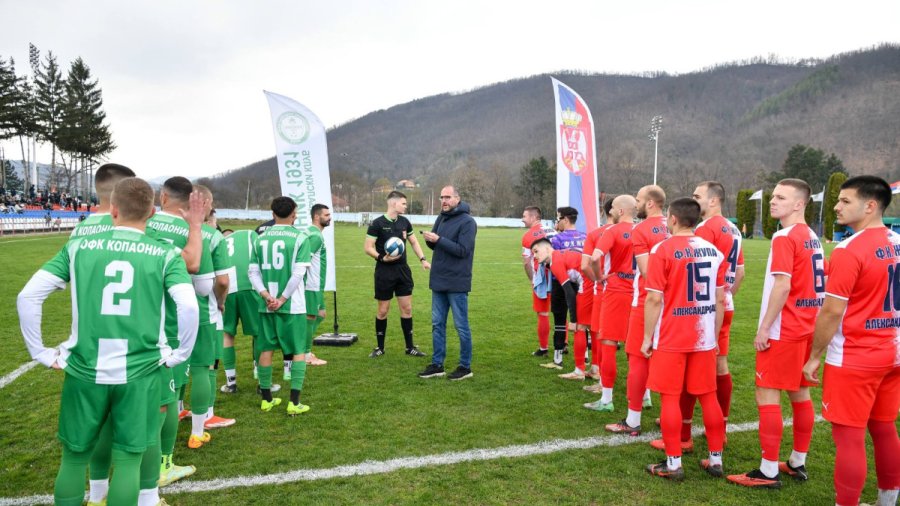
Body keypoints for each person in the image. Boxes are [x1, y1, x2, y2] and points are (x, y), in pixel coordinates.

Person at [17, 177, 199, 506]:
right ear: (152, 213)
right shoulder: (165, 253)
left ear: (112, 209)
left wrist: (41, 353)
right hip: (140, 371)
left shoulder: (78, 246)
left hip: (85, 368)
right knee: (129, 461)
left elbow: (28, 296)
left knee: (73, 459)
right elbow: (188, 305)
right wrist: (180, 353)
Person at [802, 175, 900, 506]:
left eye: (845, 201)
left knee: (849, 437)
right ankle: (888, 501)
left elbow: (831, 312)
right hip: (893, 351)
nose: (836, 206)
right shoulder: (898, 241)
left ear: (870, 206)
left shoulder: (849, 249)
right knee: (885, 428)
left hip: (856, 357)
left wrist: (815, 355)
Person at [726, 178, 822, 488]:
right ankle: (797, 461)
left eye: (781, 197)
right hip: (809, 326)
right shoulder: (812, 236)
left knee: (766, 392)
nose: (772, 201)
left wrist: (765, 327)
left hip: (786, 329)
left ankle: (768, 471)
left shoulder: (785, 236)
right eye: (773, 196)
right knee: (800, 393)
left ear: (799, 203)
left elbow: (783, 284)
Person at [642, 197, 727, 481]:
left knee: (670, 397)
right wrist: (713, 337)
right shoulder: (713, 251)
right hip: (703, 335)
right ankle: (716, 459)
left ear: (673, 218)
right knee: (708, 396)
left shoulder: (662, 249)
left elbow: (654, 298)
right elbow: (719, 298)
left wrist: (646, 336)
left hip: (672, 335)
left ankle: (674, 463)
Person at [606, 185, 669, 435]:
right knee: (666, 359)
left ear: (650, 203)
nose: (637, 204)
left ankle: (633, 419)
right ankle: (669, 414)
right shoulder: (674, 226)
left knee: (637, 358)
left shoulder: (640, 229)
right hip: (676, 303)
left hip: (646, 300)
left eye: (640, 200)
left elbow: (647, 273)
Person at [248, 197, 313, 415]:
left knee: (265, 349)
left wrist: (267, 296)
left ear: (272, 213)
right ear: (294, 213)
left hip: (266, 305)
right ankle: (294, 403)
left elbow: (252, 273)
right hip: (291, 306)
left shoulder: (260, 238)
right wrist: (283, 299)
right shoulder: (300, 238)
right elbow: (298, 273)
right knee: (298, 351)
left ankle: (267, 399)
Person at [419, 186, 477, 381]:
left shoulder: (468, 222)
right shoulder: (441, 217)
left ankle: (465, 366)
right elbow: (436, 245)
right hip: (438, 279)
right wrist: (430, 240)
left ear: (457, 199)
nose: (443, 200)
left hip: (457, 281)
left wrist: (439, 239)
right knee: (437, 324)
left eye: (447, 197)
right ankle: (437, 364)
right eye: (441, 197)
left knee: (461, 326)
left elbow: (463, 250)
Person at [584, 195, 636, 412]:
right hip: (638, 291)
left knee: (608, 343)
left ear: (620, 211)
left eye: (613, 207)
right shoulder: (642, 230)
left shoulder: (611, 231)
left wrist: (598, 277)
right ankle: (644, 397)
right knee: (636, 349)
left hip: (616, 290)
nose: (610, 210)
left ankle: (606, 399)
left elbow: (594, 259)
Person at [364, 191, 430, 357]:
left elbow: (414, 241)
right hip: (384, 272)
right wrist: (381, 258)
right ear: (394, 204)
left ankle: (410, 347)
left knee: (407, 309)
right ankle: (380, 348)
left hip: (403, 271)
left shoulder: (404, 222)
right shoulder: (377, 224)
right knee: (383, 310)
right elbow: (368, 247)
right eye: (403, 203)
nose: (406, 206)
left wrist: (423, 259)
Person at [193, 184, 234, 432]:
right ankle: (205, 416)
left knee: (175, 366)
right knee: (206, 364)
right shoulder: (212, 236)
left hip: (166, 312)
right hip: (203, 309)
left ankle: (177, 410)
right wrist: (221, 301)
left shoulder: (165, 231)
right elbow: (222, 281)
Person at [531, 238, 593, 380]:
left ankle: (579, 371)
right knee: (593, 328)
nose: (534, 255)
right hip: (593, 283)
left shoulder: (555, 262)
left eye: (536, 251)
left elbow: (569, 292)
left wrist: (573, 319)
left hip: (588, 285)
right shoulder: (559, 257)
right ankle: (595, 368)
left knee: (579, 327)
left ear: (547, 249)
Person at [219, 228, 268, 394]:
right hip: (249, 286)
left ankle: (231, 383)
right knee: (259, 333)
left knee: (227, 334)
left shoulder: (221, 241)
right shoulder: (250, 234)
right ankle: (262, 383)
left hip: (226, 288)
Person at [540, 206, 587, 370]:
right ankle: (585, 357)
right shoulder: (585, 237)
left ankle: (557, 358)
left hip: (561, 281)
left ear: (565, 220)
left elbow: (553, 263)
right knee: (582, 321)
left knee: (560, 320)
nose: (556, 222)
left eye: (558, 219)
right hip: (582, 282)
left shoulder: (556, 240)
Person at [582, 197, 616, 393]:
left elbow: (585, 265)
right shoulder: (633, 232)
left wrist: (597, 279)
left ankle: (602, 379)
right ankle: (644, 394)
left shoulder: (597, 234)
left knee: (603, 335)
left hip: (604, 289)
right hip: (632, 291)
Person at [521, 206, 552, 356]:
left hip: (542, 278)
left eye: (524, 216)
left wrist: (532, 280)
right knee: (559, 311)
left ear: (534, 218)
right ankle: (563, 344)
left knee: (543, 313)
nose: (522, 219)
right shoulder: (552, 229)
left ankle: (544, 348)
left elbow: (526, 262)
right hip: (557, 274)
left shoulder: (528, 236)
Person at [304, 204, 332, 366]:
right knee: (311, 316)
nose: (329, 218)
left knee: (320, 314)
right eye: (326, 215)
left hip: (316, 285)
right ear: (317, 217)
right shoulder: (315, 236)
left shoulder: (311, 233)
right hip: (311, 285)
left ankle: (301, 344)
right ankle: (305, 354)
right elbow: (303, 261)